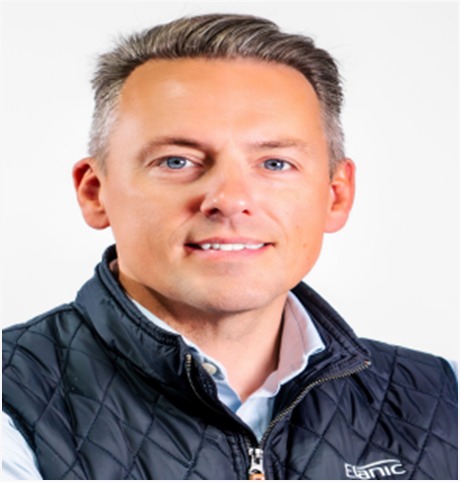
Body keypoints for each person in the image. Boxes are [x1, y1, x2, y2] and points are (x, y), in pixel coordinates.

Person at [2, 13, 457, 480]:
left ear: (335, 196)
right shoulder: (11, 405)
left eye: (275, 163)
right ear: (95, 192)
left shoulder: (444, 399)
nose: (230, 199)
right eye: (176, 161)